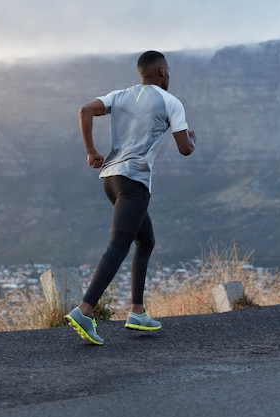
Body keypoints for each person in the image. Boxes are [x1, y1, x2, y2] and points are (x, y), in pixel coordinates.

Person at [65, 50, 197, 345]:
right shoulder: (170, 102)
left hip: (111, 179)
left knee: (146, 240)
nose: (169, 74)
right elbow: (185, 148)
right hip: (134, 182)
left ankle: (137, 311)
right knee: (118, 245)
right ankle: (85, 310)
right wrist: (193, 137)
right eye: (169, 70)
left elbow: (85, 110)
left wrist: (91, 151)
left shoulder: (120, 95)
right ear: (162, 71)